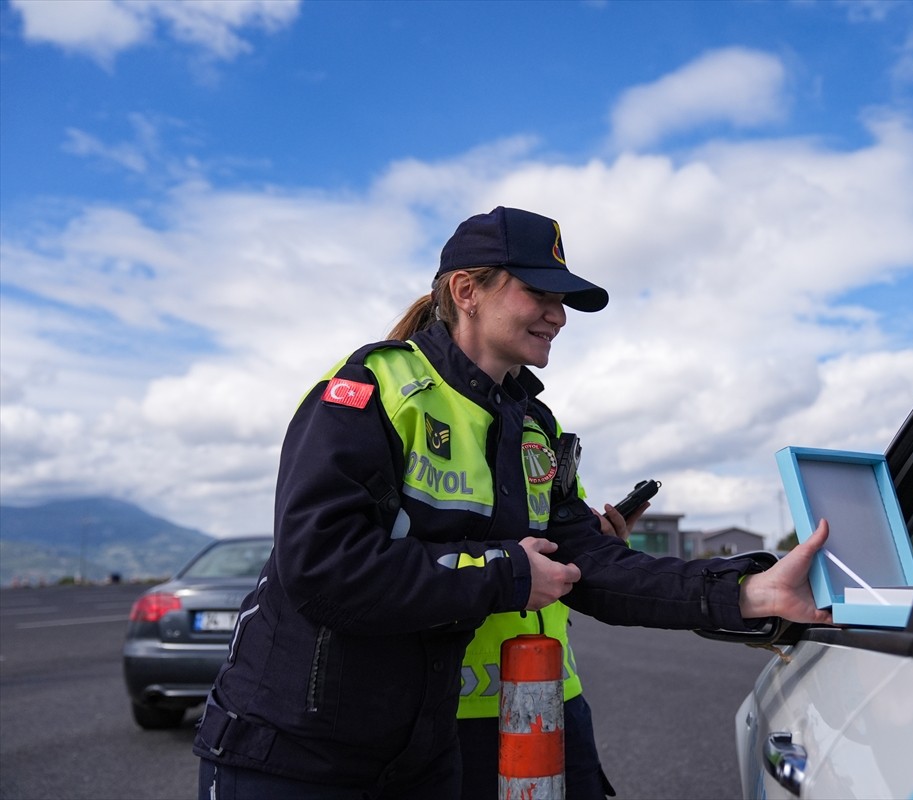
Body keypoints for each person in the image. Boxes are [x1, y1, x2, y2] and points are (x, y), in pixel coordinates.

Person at [193, 206, 832, 799]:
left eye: (564, 301)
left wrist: (750, 593)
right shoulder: (372, 387)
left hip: (422, 753)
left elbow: (587, 564)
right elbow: (323, 566)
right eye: (540, 294)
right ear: (467, 291)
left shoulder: (535, 427)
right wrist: (507, 574)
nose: (558, 314)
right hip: (292, 753)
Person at [456, 501, 642, 800]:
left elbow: (564, 548)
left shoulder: (557, 454)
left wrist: (600, 547)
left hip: (561, 697)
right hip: (458, 711)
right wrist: (511, 572)